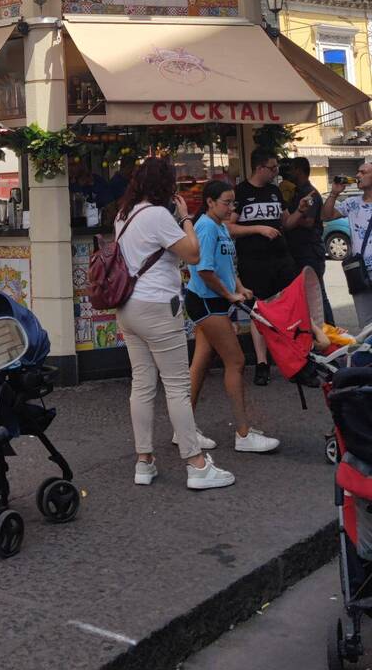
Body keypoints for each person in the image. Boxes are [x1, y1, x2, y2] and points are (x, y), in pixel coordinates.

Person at [115, 157, 235, 492]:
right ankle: (196, 464)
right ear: (164, 185)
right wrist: (184, 217)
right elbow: (193, 254)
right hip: (157, 307)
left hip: (128, 307)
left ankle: (144, 461)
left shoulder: (123, 215)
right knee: (177, 387)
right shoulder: (157, 215)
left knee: (142, 385)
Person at [186, 180, 280, 454]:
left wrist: (239, 287)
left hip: (213, 301)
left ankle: (184, 429)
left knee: (200, 363)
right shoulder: (206, 227)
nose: (231, 208)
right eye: (226, 202)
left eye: (233, 202)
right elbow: (204, 270)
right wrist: (229, 294)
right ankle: (243, 433)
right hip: (208, 302)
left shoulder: (219, 226)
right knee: (236, 361)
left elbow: (226, 264)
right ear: (210, 202)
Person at [231, 149, 314, 385]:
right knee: (259, 310)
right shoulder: (241, 192)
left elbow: (286, 223)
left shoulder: (275, 191)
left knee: (290, 307)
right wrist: (258, 229)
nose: (277, 172)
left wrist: (300, 211)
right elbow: (228, 227)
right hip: (254, 261)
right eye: (273, 167)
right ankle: (262, 363)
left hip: (281, 257)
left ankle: (296, 360)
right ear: (259, 168)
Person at [282, 157, 334, 324]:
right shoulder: (295, 192)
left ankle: (330, 330)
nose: (288, 173)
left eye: (291, 169)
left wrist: (289, 219)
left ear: (299, 170)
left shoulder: (310, 193)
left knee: (317, 294)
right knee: (302, 295)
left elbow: (309, 221)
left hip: (310, 251)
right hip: (297, 250)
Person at [323, 162, 372, 329]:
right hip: (359, 271)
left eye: (363, 172)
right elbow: (326, 216)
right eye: (358, 172)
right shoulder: (352, 203)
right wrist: (334, 194)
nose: (357, 175)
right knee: (365, 325)